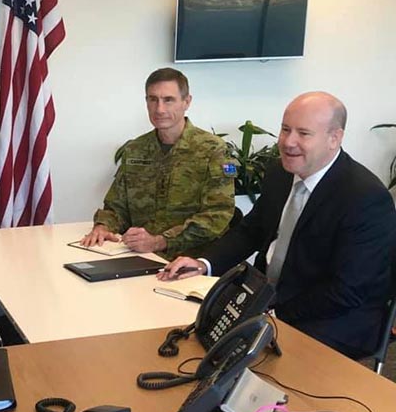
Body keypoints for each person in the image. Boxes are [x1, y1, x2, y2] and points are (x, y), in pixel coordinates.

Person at [159, 92, 396, 359]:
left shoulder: (365, 198)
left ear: (335, 138)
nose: (288, 142)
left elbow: (346, 292)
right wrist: (203, 263)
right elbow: (250, 231)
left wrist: (272, 312)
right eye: (285, 129)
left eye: (303, 133)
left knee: (244, 361)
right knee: (190, 333)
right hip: (269, 297)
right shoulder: (280, 172)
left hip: (334, 318)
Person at [81, 68, 236, 259]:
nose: (159, 109)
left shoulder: (213, 150)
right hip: (138, 256)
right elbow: (116, 206)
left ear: (186, 102)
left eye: (168, 100)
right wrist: (103, 226)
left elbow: (217, 215)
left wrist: (160, 241)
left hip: (191, 262)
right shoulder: (135, 149)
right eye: (152, 99)